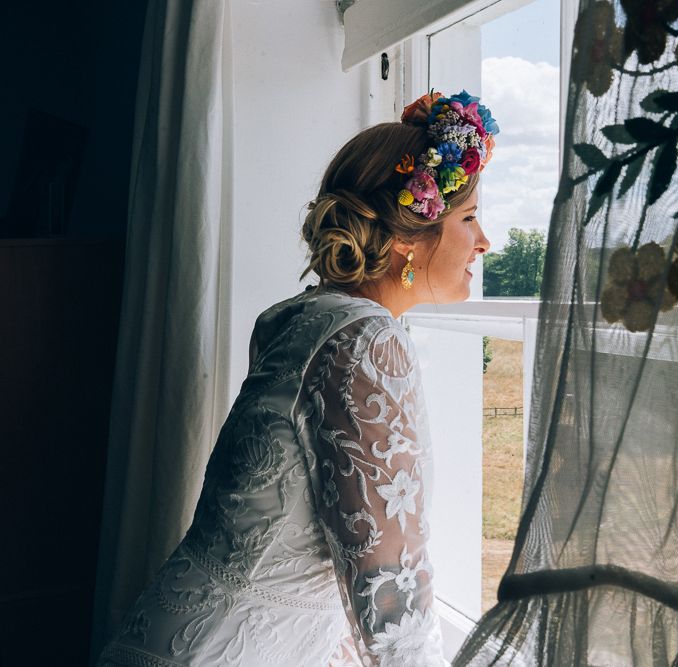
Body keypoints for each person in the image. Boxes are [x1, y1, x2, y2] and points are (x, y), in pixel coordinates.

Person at [98, 90, 497, 667]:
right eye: (468, 217)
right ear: (408, 237)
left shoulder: (300, 316)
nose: (484, 240)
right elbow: (390, 599)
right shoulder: (367, 341)